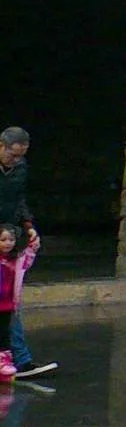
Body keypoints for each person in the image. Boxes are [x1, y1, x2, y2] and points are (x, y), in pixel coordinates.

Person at [0, 128, 49, 378]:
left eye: (21, 156)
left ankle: (21, 359)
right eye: (12, 155)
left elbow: (19, 199)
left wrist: (28, 226)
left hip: (7, 236)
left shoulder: (20, 169)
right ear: (1, 146)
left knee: (10, 302)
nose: (16, 160)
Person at [0, 222, 39, 384]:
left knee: (5, 334)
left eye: (11, 240)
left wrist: (33, 239)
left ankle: (6, 362)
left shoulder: (16, 259)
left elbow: (28, 257)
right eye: (3, 240)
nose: (8, 243)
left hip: (8, 305)